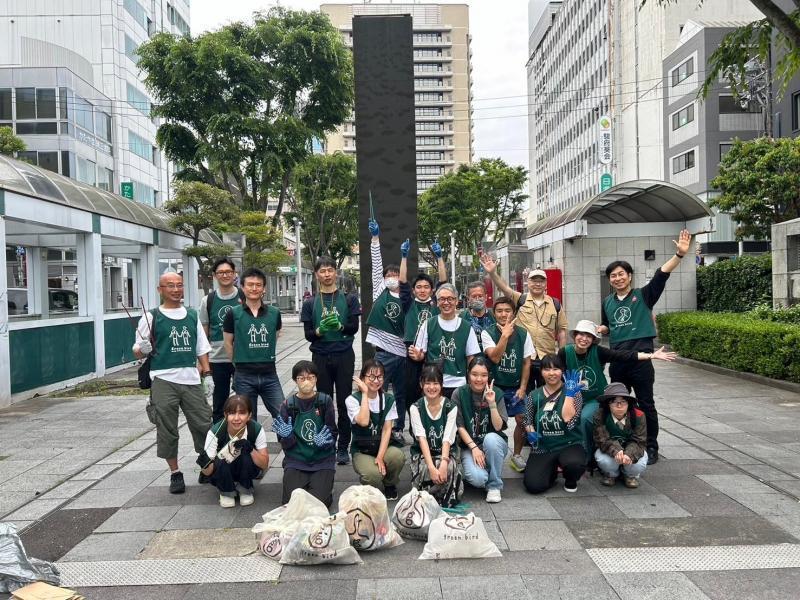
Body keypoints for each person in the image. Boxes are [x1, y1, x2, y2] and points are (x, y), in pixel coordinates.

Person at [597, 228, 692, 465]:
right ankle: (620, 442)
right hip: (619, 360)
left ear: (629, 276)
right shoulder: (607, 302)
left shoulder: (644, 295)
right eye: (613, 276)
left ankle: (650, 446)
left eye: (621, 274)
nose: (617, 278)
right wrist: (601, 329)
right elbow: (609, 325)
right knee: (616, 402)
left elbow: (661, 274)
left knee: (646, 403)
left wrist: (679, 255)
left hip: (642, 360)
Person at [133, 271, 212, 494]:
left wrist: (208, 375)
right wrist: (142, 349)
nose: (176, 289)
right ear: (160, 290)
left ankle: (206, 465)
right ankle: (175, 473)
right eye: (170, 286)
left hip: (191, 379)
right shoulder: (152, 317)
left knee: (203, 423)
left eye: (179, 285)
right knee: (166, 427)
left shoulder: (191, 315)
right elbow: (137, 350)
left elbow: (201, 348)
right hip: (163, 379)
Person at [557, 319, 676, 458]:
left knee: (584, 418)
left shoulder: (598, 351)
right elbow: (557, 374)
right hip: (572, 397)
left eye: (589, 336)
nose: (584, 339)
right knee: (561, 416)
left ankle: (586, 456)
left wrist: (651, 355)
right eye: (581, 334)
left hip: (593, 399)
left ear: (593, 339)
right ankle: (563, 452)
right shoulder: (564, 352)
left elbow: (623, 355)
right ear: (575, 335)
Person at [300, 256, 362, 466]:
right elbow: (308, 333)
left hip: (344, 354)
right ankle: (326, 442)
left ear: (336, 272)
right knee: (323, 402)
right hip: (320, 355)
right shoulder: (310, 302)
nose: (326, 274)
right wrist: (319, 330)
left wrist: (340, 327)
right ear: (317, 274)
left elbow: (354, 326)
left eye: (330, 270)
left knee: (345, 401)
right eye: (322, 271)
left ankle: (343, 446)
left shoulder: (350, 299)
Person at [481, 256, 568, 389]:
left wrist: (561, 356)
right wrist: (492, 273)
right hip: (523, 358)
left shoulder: (555, 304)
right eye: (534, 281)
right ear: (528, 282)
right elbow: (503, 287)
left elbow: (561, 330)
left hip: (546, 358)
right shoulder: (520, 299)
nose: (537, 284)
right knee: (524, 392)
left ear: (546, 284)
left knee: (547, 393)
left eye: (541, 281)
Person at [364, 218, 409, 446]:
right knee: (378, 391)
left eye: (395, 275)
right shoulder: (380, 290)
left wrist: (403, 258)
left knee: (400, 394)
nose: (391, 278)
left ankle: (398, 428)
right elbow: (375, 260)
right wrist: (375, 238)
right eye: (388, 275)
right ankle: (379, 425)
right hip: (383, 353)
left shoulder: (405, 296)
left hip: (403, 354)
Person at [272, 360, 337, 507]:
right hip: (297, 460)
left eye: (310, 377)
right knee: (291, 503)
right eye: (301, 378)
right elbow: (283, 442)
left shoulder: (325, 401)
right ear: (295, 380)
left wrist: (325, 442)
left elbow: (332, 432)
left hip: (322, 460)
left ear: (316, 379)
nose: (306, 381)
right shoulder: (288, 405)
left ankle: (326, 487)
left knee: (319, 503)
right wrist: (287, 437)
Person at [481, 296, 534, 473]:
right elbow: (495, 357)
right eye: (499, 311)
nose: (504, 314)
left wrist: (523, 388)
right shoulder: (487, 332)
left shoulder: (524, 334)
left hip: (516, 386)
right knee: (494, 422)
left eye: (507, 311)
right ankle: (490, 453)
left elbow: (527, 362)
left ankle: (517, 454)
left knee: (521, 419)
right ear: (494, 313)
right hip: (495, 386)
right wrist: (504, 335)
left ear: (514, 313)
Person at [399, 237, 448, 430]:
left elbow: (443, 281)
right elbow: (402, 282)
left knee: (434, 388)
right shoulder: (409, 303)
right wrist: (404, 256)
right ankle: (414, 428)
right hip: (411, 352)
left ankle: (435, 425)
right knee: (412, 392)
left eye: (426, 286)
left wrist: (440, 257)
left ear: (432, 289)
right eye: (418, 287)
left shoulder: (436, 303)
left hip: (432, 352)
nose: (422, 290)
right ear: (413, 290)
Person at [222, 267, 283, 420]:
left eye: (258, 285)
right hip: (244, 375)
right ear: (242, 287)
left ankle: (287, 444)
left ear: (264, 288)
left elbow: (274, 336)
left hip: (270, 374)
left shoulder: (274, 313)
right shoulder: (233, 313)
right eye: (250, 284)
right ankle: (252, 444)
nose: (254, 288)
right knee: (247, 418)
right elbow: (228, 344)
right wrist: (237, 363)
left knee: (283, 414)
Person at [522, 354, 585, 494]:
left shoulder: (574, 393)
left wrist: (569, 395)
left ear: (562, 371)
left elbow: (569, 420)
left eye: (556, 369)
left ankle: (570, 479)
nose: (551, 373)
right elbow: (527, 419)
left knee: (575, 465)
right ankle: (552, 472)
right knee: (533, 486)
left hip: (569, 443)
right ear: (541, 372)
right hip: (544, 446)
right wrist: (530, 431)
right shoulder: (534, 395)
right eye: (546, 369)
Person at [346, 359, 406, 500]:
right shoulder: (352, 400)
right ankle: (371, 485)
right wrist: (365, 394)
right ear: (362, 378)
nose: (376, 381)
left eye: (380, 377)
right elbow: (364, 421)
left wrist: (380, 456)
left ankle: (389, 483)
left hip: (382, 446)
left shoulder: (388, 399)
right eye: (371, 377)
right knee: (372, 475)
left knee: (397, 457)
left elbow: (387, 430)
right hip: (362, 450)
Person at [409, 283, 481, 399]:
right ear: (437, 302)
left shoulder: (466, 327)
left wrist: (472, 382)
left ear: (456, 301)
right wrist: (417, 356)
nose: (446, 302)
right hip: (434, 383)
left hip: (458, 384)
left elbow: (471, 359)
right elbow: (420, 353)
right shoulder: (428, 324)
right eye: (442, 299)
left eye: (450, 299)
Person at [199, 394, 269, 507]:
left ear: (249, 415)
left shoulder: (256, 429)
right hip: (222, 470)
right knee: (222, 457)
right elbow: (208, 473)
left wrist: (251, 449)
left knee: (246, 454)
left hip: (247, 468)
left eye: (242, 413)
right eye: (231, 413)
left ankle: (245, 488)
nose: (236, 418)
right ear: (225, 415)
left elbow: (264, 464)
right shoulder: (215, 432)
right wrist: (204, 464)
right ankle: (226, 491)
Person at [454, 357, 508, 503]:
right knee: (478, 479)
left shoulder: (497, 392)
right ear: (468, 374)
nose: (479, 379)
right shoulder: (459, 393)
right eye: (474, 374)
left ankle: (494, 485)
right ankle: (488, 472)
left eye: (484, 375)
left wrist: (492, 404)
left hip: (494, 443)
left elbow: (498, 427)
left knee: (490, 439)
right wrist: (474, 448)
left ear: (489, 376)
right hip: (470, 446)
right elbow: (459, 426)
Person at [409, 364, 463, 507]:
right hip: (423, 453)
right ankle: (427, 499)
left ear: (441, 385)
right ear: (421, 384)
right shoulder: (416, 408)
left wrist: (444, 462)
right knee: (426, 469)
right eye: (427, 383)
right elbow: (421, 438)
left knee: (448, 467)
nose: (431, 387)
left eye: (435, 383)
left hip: (446, 452)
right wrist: (432, 467)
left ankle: (443, 498)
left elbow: (447, 438)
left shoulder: (450, 407)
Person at [199, 257, 245, 423]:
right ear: (214, 275)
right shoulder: (208, 301)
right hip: (217, 359)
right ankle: (218, 440)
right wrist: (202, 363)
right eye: (221, 272)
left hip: (241, 358)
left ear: (234, 274)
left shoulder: (244, 296)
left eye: (229, 272)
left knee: (244, 401)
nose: (225, 275)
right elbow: (203, 333)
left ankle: (244, 440)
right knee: (219, 404)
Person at [593, 382, 648, 489]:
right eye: (614, 402)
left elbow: (640, 440)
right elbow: (601, 439)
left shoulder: (638, 415)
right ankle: (611, 474)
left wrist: (629, 454)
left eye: (623, 401)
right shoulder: (600, 415)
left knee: (638, 465)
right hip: (610, 450)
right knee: (604, 461)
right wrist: (616, 450)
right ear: (608, 404)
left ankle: (630, 475)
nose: (619, 405)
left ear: (628, 403)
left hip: (632, 449)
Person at [460, 281, 495, 351]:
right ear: (468, 299)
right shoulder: (462, 318)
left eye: (480, 296)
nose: (477, 299)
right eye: (473, 296)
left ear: (486, 297)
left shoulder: (494, 315)